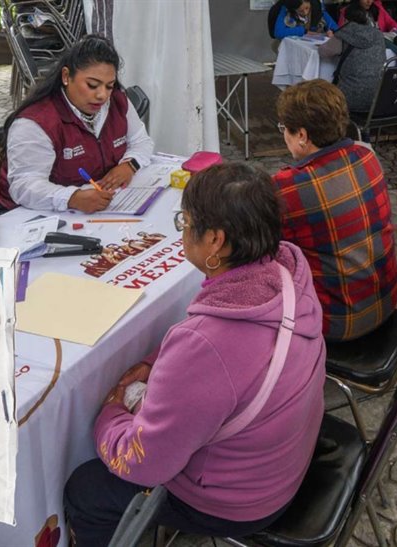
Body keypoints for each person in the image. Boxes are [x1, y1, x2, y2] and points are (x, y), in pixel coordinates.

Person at [64, 163, 326, 546]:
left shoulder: (208, 344)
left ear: (216, 241)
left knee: (86, 488)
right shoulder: (288, 273)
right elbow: (220, 364)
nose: (183, 231)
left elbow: (144, 464)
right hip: (283, 460)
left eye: (185, 222)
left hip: (241, 502)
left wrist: (112, 409)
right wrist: (155, 362)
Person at [273, 79, 397, 341]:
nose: (283, 134)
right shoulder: (367, 155)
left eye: (285, 128)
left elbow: (263, 247)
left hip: (339, 322)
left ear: (302, 136)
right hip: (386, 300)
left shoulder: (288, 187)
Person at [0, 35, 154, 213]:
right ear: (66, 76)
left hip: (99, 205)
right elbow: (24, 185)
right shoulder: (36, 122)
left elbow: (141, 141)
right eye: (92, 85)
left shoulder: (117, 101)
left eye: (109, 86)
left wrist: (129, 165)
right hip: (32, 215)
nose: (102, 95)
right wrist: (71, 198)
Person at [318, 3, 386, 112]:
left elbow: (323, 52)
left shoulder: (344, 33)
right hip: (376, 98)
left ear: (346, 18)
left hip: (347, 97)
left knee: (320, 91)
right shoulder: (378, 35)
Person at [273, 0, 338, 39]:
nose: (305, 13)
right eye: (300, 11)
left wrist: (331, 31)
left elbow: (336, 28)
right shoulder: (286, 9)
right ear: (293, 9)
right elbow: (278, 33)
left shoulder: (317, 7)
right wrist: (304, 31)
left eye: (307, 8)